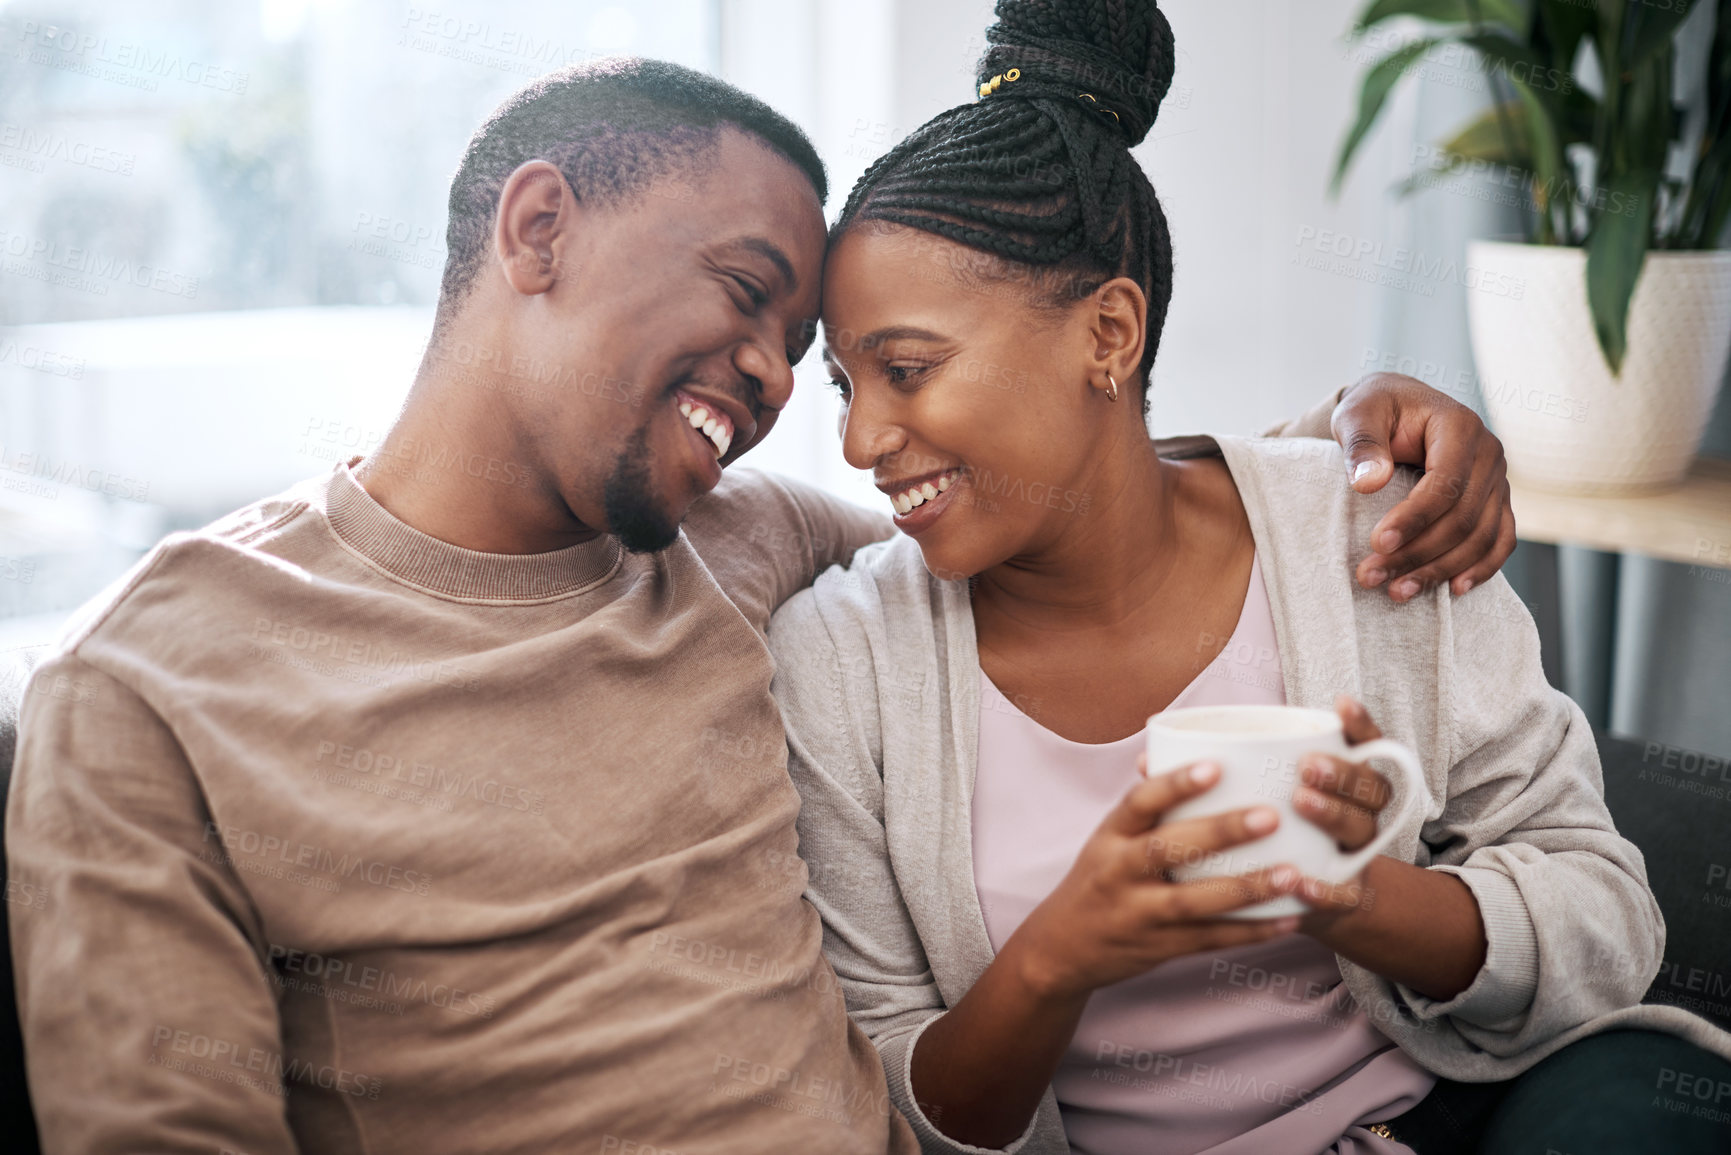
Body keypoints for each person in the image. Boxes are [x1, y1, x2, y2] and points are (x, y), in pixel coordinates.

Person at [7, 59, 1516, 1155]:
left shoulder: (740, 545)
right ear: (537, 229)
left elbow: (1039, 500)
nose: (794, 389)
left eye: (813, 347)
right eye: (746, 292)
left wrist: (1340, 440)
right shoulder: (150, 689)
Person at [767, 3, 1731, 1154]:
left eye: (907, 370)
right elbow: (895, 1101)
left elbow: (1604, 922)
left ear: (1108, 337)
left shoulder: (1369, 528)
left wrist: (1362, 900)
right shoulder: (840, 659)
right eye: (844, 385)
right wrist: (1061, 954)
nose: (861, 439)